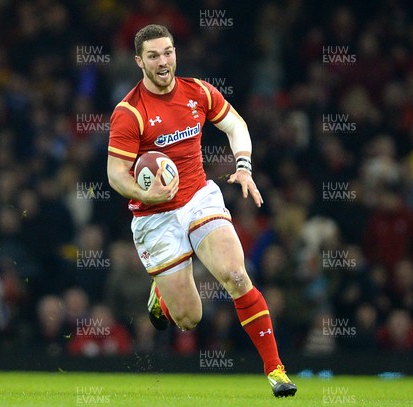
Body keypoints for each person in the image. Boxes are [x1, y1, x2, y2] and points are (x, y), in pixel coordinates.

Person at [107, 24, 296, 397]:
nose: (163, 62)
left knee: (236, 275)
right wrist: (153, 194)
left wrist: (243, 166)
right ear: (139, 61)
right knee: (189, 319)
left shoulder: (198, 92)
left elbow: (236, 125)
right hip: (154, 218)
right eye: (154, 55)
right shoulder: (130, 112)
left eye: (168, 52)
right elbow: (115, 175)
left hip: (199, 198)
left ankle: (276, 370)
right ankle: (160, 294)